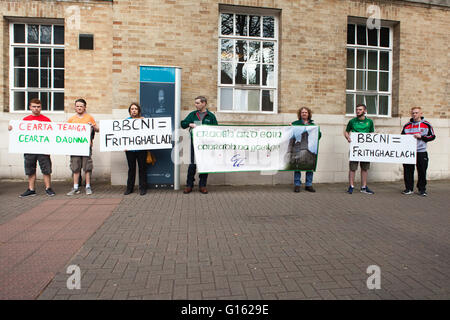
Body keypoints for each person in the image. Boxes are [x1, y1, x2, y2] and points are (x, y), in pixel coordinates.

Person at [8, 98, 56, 197]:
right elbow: (19, 133)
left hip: (43, 149)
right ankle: (31, 189)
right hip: (29, 149)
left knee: (46, 169)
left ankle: (48, 188)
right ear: (30, 107)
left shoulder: (46, 120)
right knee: (30, 169)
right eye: (34, 106)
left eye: (38, 107)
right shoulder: (25, 120)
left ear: (41, 108)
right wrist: (12, 128)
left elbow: (52, 133)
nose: (36, 109)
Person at [181, 96, 218, 194]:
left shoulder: (211, 116)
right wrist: (190, 124)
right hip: (195, 143)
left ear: (204, 103)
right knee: (192, 165)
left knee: (204, 164)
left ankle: (202, 185)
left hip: (206, 145)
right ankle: (189, 185)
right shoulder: (193, 114)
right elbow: (183, 124)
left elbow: (216, 130)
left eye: (197, 103)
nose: (195, 104)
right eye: (195, 103)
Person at [66, 98, 99, 195]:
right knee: (75, 167)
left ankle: (88, 186)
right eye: (77, 106)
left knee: (87, 167)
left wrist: (92, 126)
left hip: (86, 147)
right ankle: (75, 187)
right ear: (75, 107)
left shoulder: (89, 118)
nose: (79, 108)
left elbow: (97, 129)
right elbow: (66, 133)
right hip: (75, 147)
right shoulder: (71, 119)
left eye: (81, 106)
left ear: (85, 107)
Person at [401, 107, 435, 196]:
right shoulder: (407, 125)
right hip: (409, 152)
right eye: (413, 113)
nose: (414, 114)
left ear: (421, 114)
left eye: (416, 113)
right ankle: (408, 188)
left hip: (421, 151)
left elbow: (432, 136)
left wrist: (422, 137)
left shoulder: (427, 124)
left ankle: (422, 189)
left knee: (422, 171)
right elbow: (402, 138)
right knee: (408, 171)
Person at [344, 103, 375, 194]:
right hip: (355, 148)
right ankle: (351, 186)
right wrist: (348, 137)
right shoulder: (352, 121)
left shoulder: (369, 122)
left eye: (360, 109)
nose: (358, 111)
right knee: (352, 168)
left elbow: (372, 133)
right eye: (357, 109)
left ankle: (364, 187)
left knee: (364, 168)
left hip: (365, 148)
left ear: (365, 111)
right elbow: (346, 132)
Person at [291, 107, 322, 192]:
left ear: (308, 114)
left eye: (306, 112)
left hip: (307, 147)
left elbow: (318, 135)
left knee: (309, 166)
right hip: (297, 148)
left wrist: (317, 132)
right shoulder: (295, 123)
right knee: (297, 166)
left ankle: (309, 184)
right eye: (302, 112)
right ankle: (297, 184)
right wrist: (290, 127)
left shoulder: (313, 125)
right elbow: (290, 133)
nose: (304, 114)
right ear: (300, 114)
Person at [124, 103, 147, 196]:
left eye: (135, 109)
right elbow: (123, 134)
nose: (134, 110)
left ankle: (143, 188)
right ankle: (129, 188)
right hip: (130, 150)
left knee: (142, 169)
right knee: (131, 169)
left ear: (138, 111)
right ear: (130, 111)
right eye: (132, 109)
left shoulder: (143, 120)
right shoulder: (126, 121)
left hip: (141, 149)